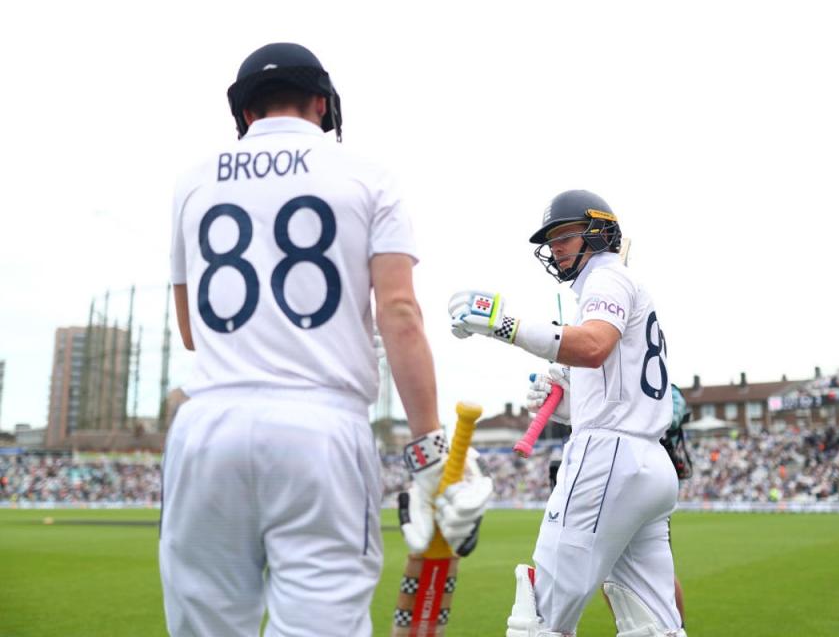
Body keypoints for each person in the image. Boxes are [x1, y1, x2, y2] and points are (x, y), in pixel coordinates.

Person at [162, 42, 491, 637]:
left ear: (243, 113)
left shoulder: (192, 181)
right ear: (322, 104)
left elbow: (190, 330)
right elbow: (398, 311)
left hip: (207, 424)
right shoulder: (367, 174)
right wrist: (427, 451)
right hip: (319, 426)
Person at [448, 190, 685, 636]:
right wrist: (574, 409)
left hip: (608, 457)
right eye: (551, 240)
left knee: (537, 622)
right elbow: (620, 390)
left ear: (598, 233)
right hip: (649, 462)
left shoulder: (606, 279)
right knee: (653, 626)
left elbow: (593, 346)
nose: (555, 248)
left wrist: (505, 325)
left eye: (565, 236)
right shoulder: (623, 286)